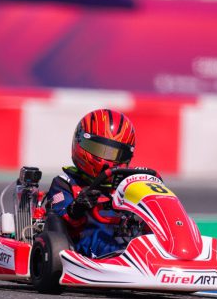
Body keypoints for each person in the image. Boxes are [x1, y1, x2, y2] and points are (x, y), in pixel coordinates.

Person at [46, 108, 153, 258]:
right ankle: (118, 256)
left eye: (115, 153)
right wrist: (78, 207)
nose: (105, 159)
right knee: (95, 233)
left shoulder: (125, 187)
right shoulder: (64, 183)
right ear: (81, 142)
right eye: (99, 149)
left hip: (124, 244)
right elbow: (58, 218)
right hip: (81, 247)